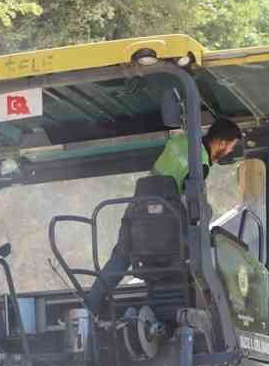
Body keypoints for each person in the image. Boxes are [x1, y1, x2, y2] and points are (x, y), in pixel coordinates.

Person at [84, 116, 244, 313]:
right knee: (196, 249)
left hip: (137, 210)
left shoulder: (180, 140)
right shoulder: (200, 164)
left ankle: (89, 307)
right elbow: (191, 203)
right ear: (221, 143)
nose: (229, 151)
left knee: (120, 257)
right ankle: (198, 309)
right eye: (230, 147)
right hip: (164, 223)